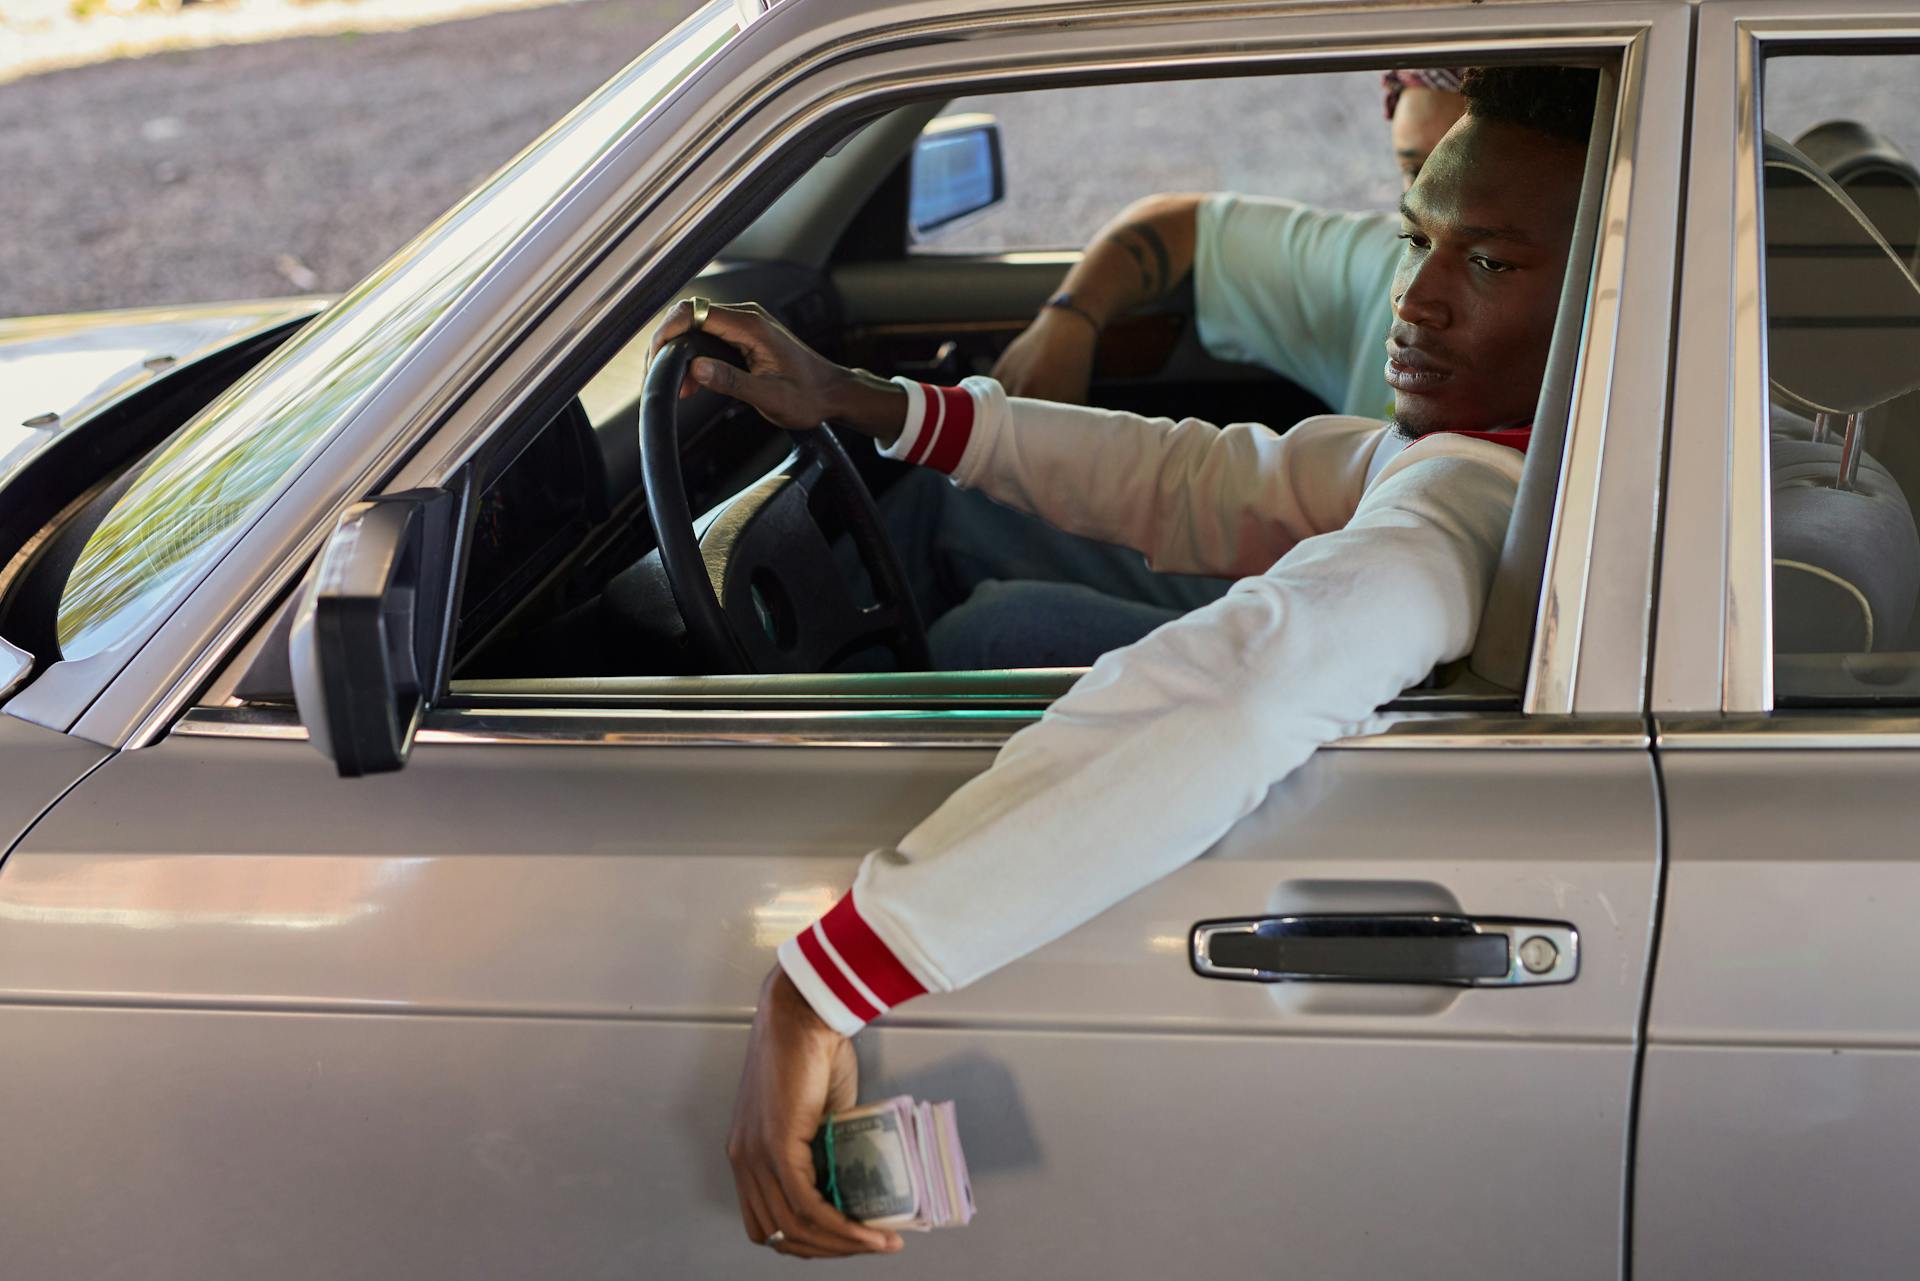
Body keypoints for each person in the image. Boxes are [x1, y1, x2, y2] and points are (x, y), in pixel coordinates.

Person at [656, 65, 1598, 1259]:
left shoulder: (1467, 504)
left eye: (1492, 264)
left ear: (1613, 294)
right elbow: (1206, 478)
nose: (1414, 300)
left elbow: (1240, 689)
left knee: (985, 638)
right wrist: (867, 401)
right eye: (1417, 236)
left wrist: (818, 987)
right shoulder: (1502, 455)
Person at [893, 70, 1467, 666]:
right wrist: (1069, 321)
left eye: (1472, 194)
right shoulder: (1383, 263)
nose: (1415, 291)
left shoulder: (1534, 412)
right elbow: (1184, 226)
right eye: (1413, 175)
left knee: (992, 633)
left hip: (1344, 648)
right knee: (956, 496)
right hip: (1301, 579)